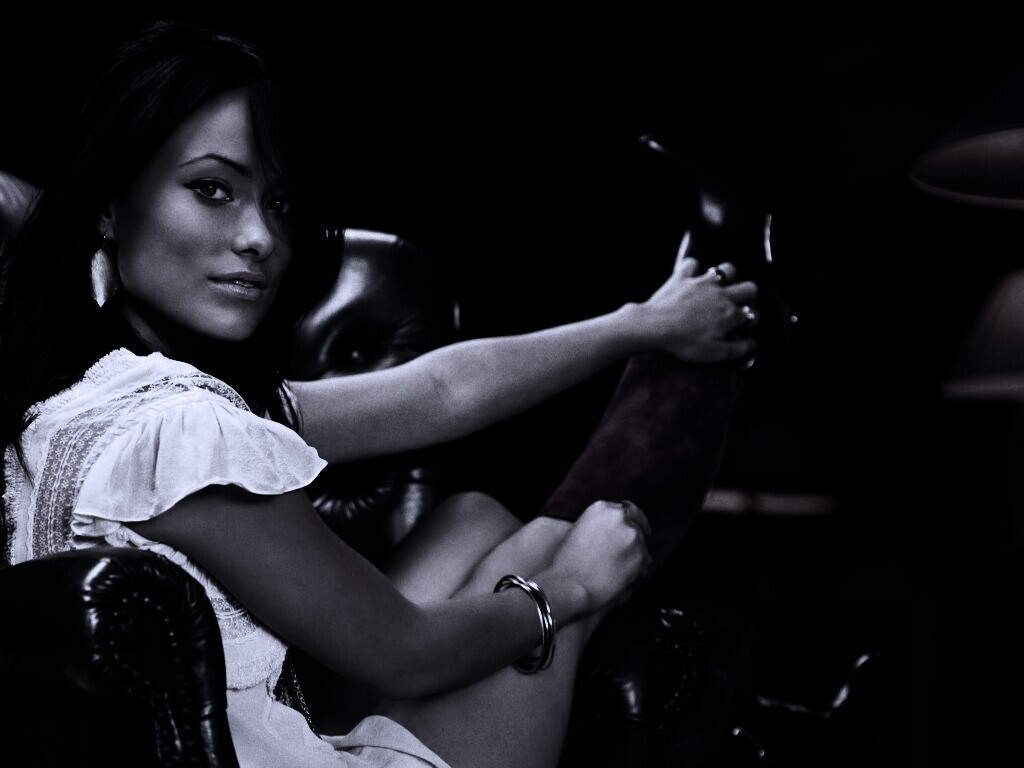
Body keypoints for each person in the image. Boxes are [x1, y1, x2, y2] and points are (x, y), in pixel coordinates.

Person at [0, 19, 758, 768]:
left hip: (251, 734)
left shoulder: (65, 412)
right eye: (212, 189)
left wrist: (639, 324)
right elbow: (407, 653)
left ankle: (695, 323)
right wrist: (573, 586)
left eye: (280, 204)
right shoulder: (182, 434)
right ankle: (737, 288)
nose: (260, 238)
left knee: (471, 518)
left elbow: (439, 393)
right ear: (109, 203)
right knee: (577, 540)